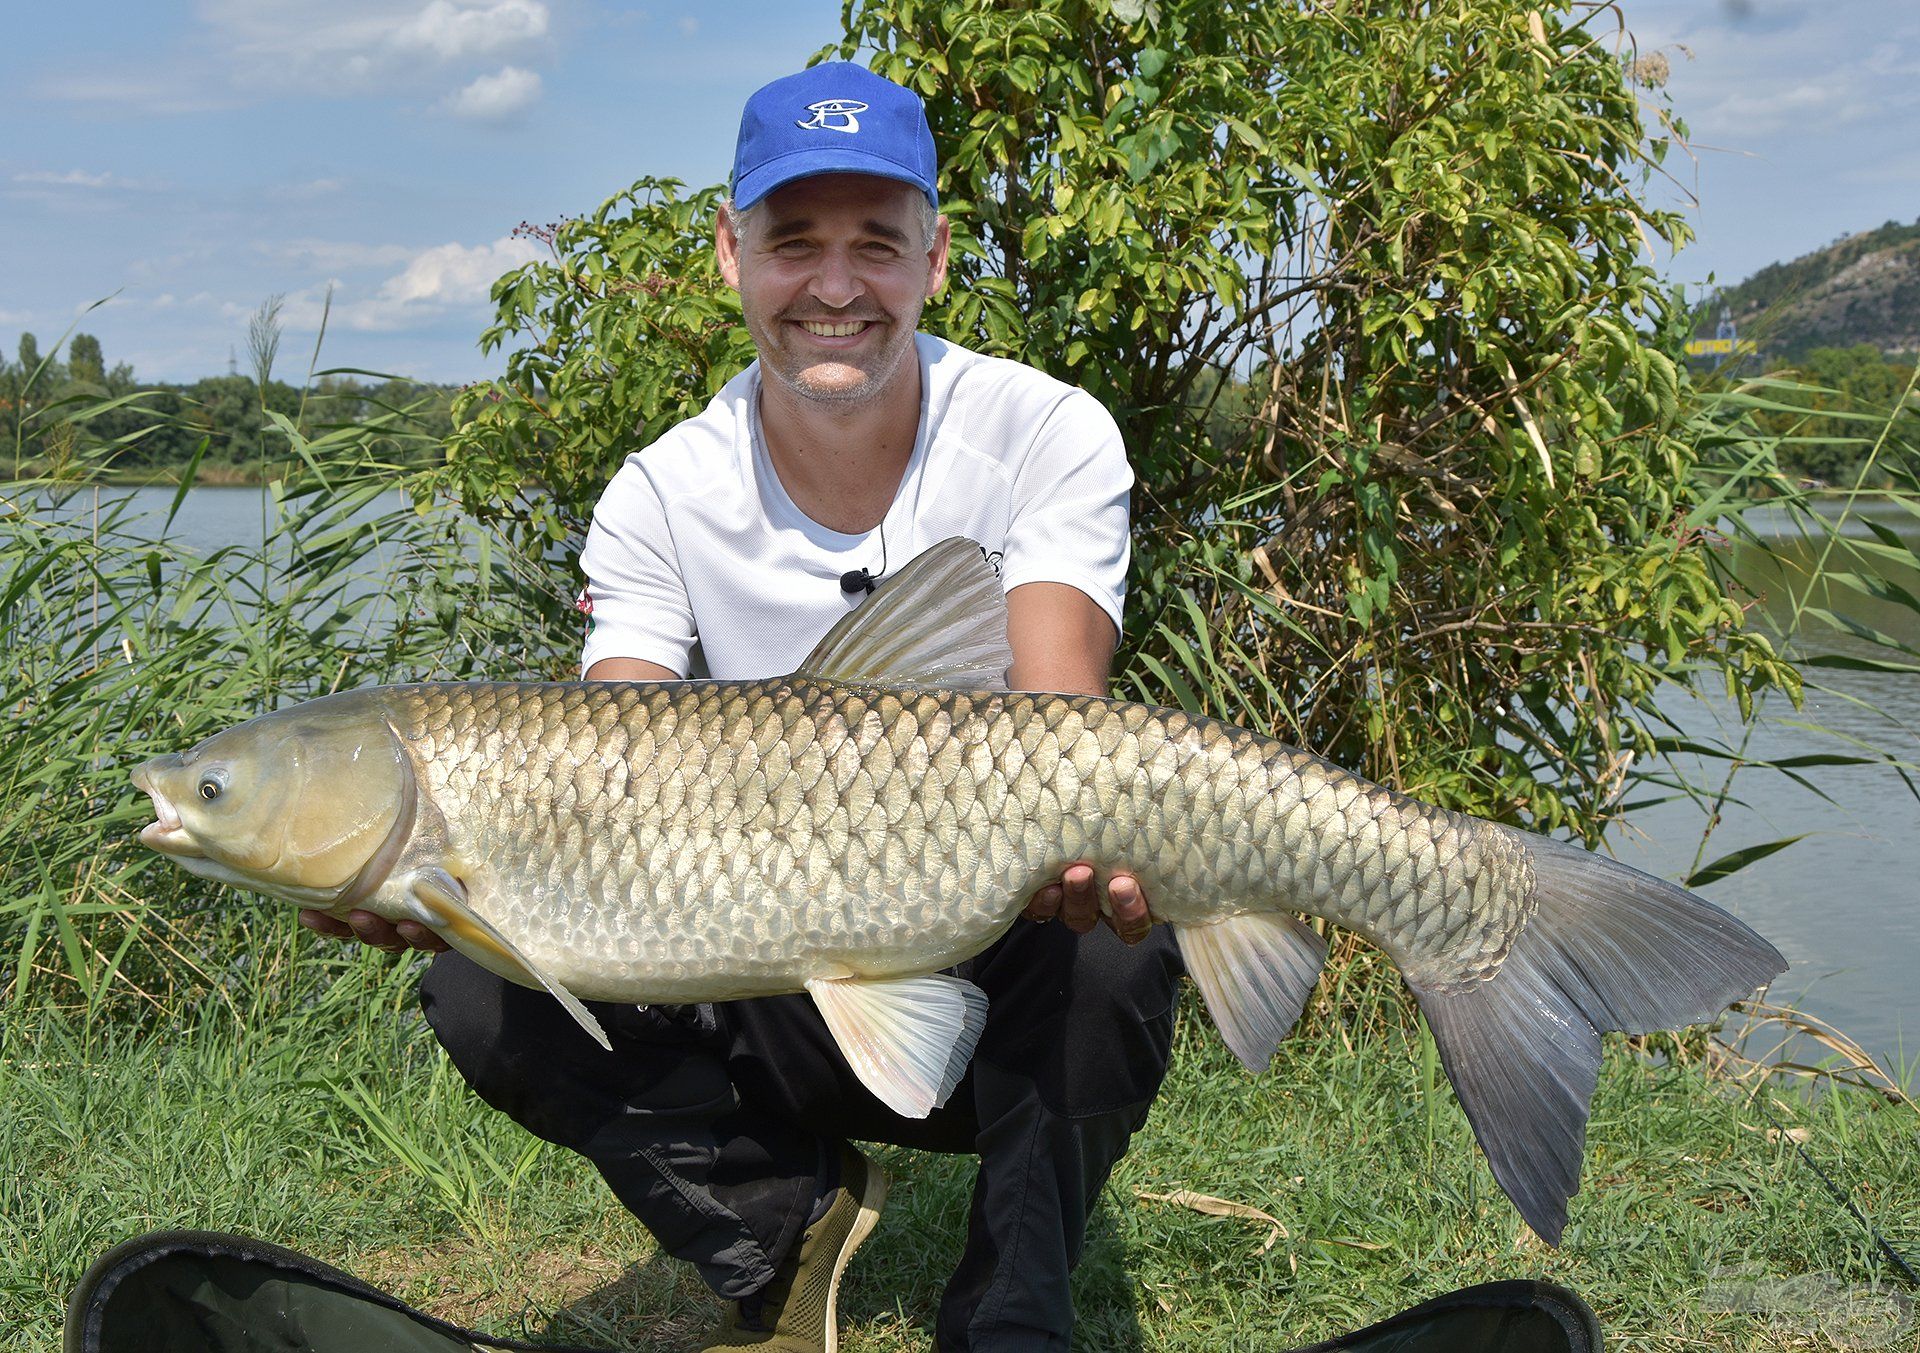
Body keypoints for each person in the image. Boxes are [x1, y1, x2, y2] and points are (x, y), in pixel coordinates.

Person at [301, 62, 1184, 1353]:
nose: (835, 287)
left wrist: (1079, 853)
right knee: (488, 988)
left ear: (933, 259)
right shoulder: (662, 490)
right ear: (731, 253)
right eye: (793, 243)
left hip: (989, 927)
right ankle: (785, 1227)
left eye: (876, 245)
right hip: (767, 963)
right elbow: (610, 757)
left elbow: (1060, 713)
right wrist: (451, 879)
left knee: (1113, 933)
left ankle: (1015, 1295)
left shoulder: (1044, 428)